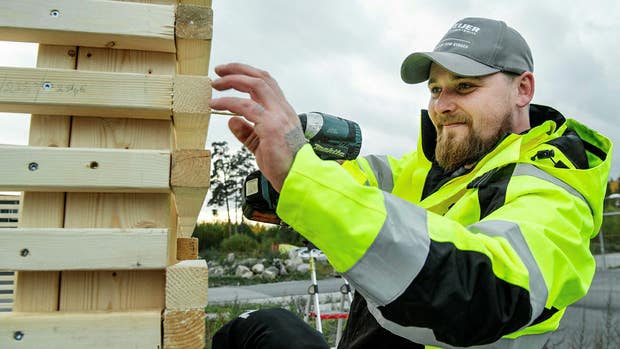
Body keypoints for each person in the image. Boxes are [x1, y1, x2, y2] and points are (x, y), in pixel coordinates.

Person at [209, 17, 612, 349]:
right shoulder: (426, 168)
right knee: (255, 327)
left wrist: (302, 174)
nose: (442, 105)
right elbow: (350, 183)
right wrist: (287, 170)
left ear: (523, 89)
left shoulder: (555, 185)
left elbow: (482, 291)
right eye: (435, 89)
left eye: (465, 86)